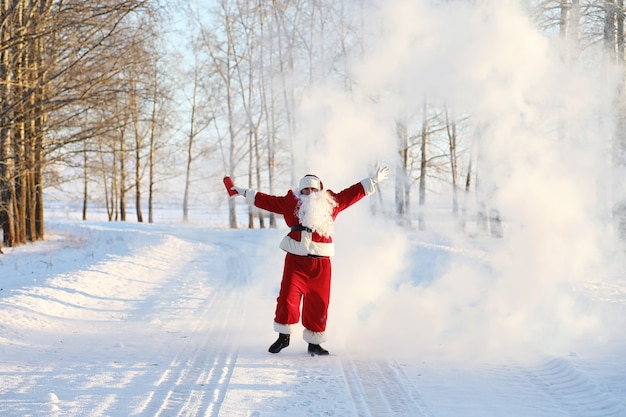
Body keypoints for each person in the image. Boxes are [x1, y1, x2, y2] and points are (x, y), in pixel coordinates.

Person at [230, 167, 390, 356]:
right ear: (301, 190)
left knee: (319, 302)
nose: (310, 193)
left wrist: (372, 181)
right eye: (306, 189)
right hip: (295, 261)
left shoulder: (331, 203)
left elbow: (351, 194)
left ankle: (314, 343)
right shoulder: (289, 203)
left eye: (314, 189)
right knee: (287, 297)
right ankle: (284, 336)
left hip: (321, 264)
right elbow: (266, 200)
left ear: (319, 190)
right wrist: (241, 192)